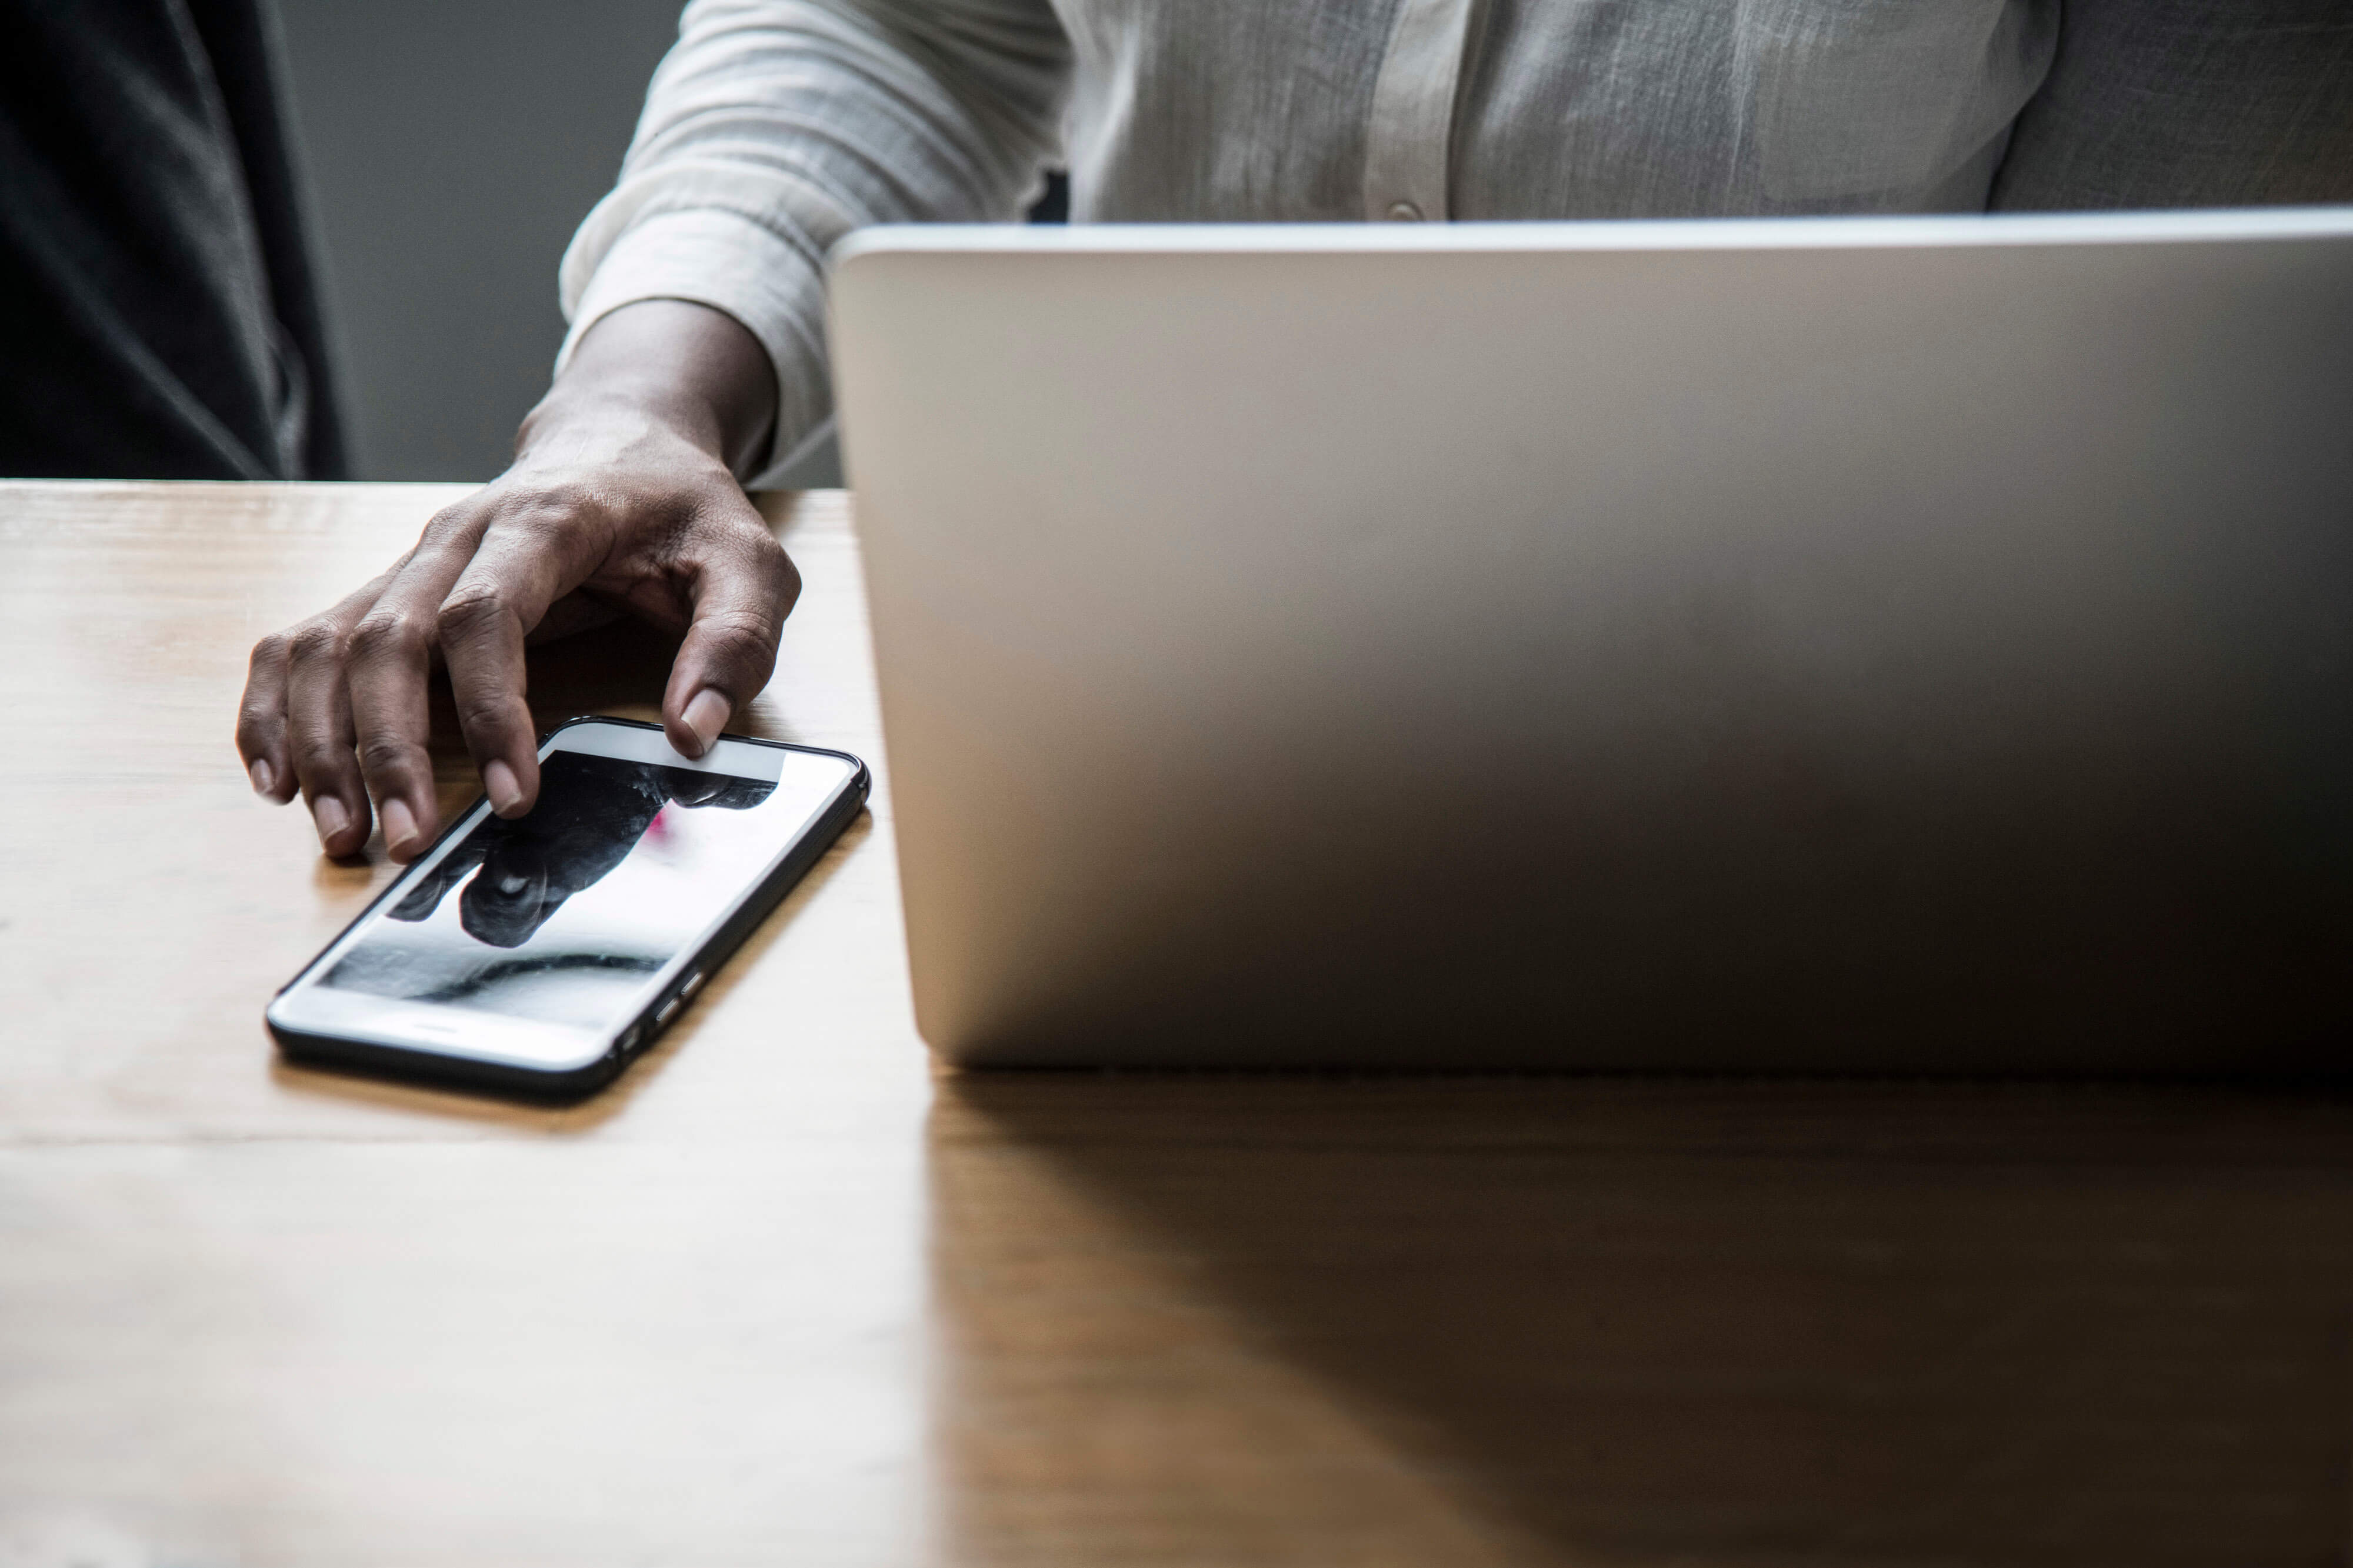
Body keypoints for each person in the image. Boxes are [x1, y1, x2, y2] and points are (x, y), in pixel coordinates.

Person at [235, 0, 2353, 860]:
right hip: (1184, 811)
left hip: (1901, 874)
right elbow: (916, 14)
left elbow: (2190, 364)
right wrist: (633, 399)